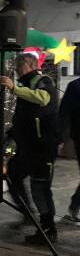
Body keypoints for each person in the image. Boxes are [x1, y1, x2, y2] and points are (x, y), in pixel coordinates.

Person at [0, 52, 60, 244]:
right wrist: (11, 134)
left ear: (29, 64)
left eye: (19, 65)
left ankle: (48, 229)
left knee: (40, 187)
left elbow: (43, 99)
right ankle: (27, 213)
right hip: (27, 147)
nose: (16, 69)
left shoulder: (43, 81)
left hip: (42, 146)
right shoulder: (26, 84)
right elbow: (25, 117)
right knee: (13, 174)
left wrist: (14, 88)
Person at [59, 76, 80, 223]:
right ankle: (74, 205)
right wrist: (62, 140)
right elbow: (64, 114)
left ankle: (75, 204)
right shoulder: (75, 86)